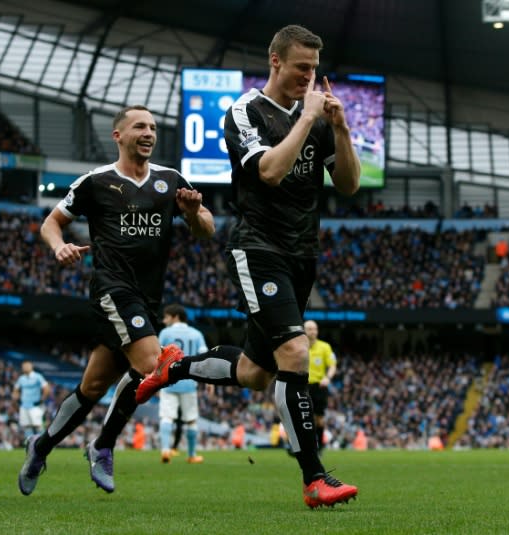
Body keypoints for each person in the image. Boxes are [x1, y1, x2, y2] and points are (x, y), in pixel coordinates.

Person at [137, 25, 360, 509]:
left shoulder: (320, 119)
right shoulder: (244, 112)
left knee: (257, 373)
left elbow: (348, 184)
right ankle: (314, 479)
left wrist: (339, 129)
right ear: (275, 61)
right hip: (258, 248)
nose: (310, 76)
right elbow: (270, 171)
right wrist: (307, 119)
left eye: (315, 69)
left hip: (304, 254)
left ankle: (176, 367)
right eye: (302, 67)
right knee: (296, 353)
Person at [17, 105, 215, 496]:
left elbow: (205, 229)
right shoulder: (96, 182)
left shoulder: (170, 180)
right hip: (113, 289)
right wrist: (58, 247)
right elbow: (50, 222)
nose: (149, 132)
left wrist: (193, 214)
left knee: (92, 387)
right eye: (140, 126)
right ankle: (104, 445)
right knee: (149, 364)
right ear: (118, 135)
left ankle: (41, 446)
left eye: (154, 127)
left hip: (148, 298)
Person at [157, 304, 208, 464]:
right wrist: (208, 381)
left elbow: (157, 358)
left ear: (175, 316)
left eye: (166, 317)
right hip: (188, 382)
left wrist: (155, 382)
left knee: (167, 417)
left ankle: (165, 450)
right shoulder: (197, 334)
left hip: (167, 382)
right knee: (191, 419)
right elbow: (204, 358)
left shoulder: (165, 333)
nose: (164, 321)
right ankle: (192, 455)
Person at [304, 320, 337, 452]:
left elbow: (332, 365)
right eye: (310, 329)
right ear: (304, 331)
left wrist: (327, 378)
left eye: (315, 329)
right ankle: (306, 446)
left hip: (319, 386)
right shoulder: (299, 346)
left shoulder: (325, 347)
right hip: (302, 385)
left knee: (319, 418)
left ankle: (320, 446)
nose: (313, 331)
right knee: (305, 417)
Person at [14, 360, 50, 442]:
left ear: (31, 366)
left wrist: (42, 399)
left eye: (26, 366)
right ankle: (29, 443)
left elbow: (46, 388)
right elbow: (16, 389)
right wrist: (17, 399)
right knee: (27, 426)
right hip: (24, 406)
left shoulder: (38, 377)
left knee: (38, 425)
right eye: (23, 366)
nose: (24, 368)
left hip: (35, 405)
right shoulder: (21, 378)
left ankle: (43, 443)